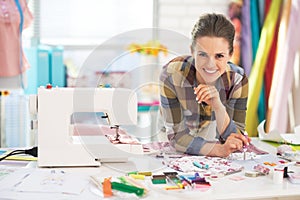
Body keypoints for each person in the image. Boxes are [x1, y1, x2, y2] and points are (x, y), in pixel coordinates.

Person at [159, 13, 249, 157]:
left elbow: (236, 139)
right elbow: (177, 137)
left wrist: (218, 107)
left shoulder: (238, 79)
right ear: (192, 51)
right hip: (173, 133)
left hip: (211, 129)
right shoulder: (171, 75)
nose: (210, 64)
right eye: (203, 54)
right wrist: (219, 150)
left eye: (219, 56)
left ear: (230, 54)